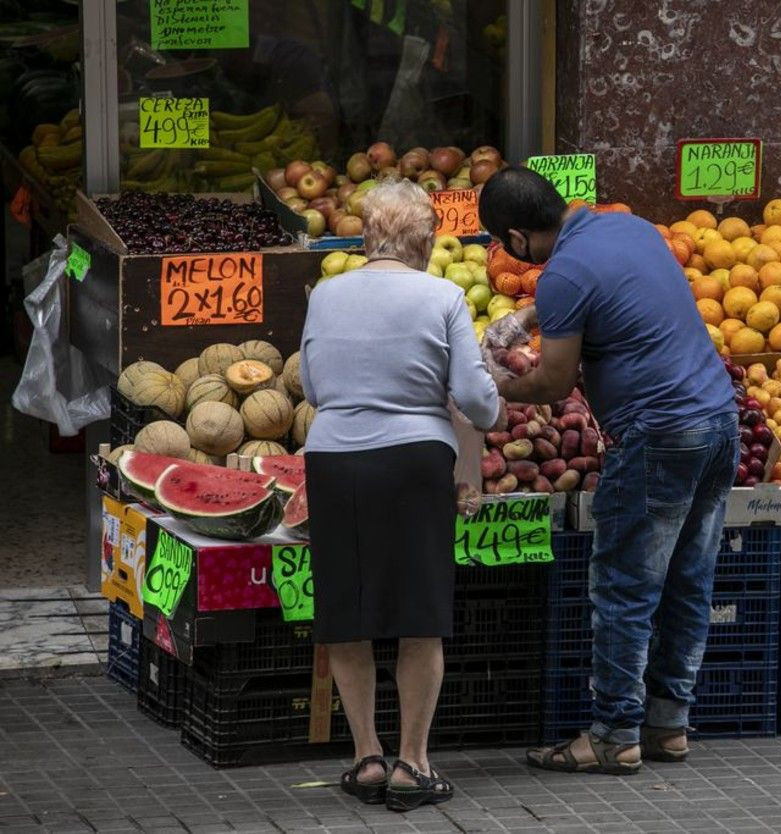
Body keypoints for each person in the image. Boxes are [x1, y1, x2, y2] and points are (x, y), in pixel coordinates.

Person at [479, 168, 738, 774]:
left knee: (625, 587)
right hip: (718, 423)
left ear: (517, 238)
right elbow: (603, 288)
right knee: (687, 581)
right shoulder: (630, 228)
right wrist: (530, 316)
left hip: (658, 437)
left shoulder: (563, 272)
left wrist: (492, 384)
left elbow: (554, 380)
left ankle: (614, 733)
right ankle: (668, 725)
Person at [300, 178, 503, 811]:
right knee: (418, 616)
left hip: (332, 459)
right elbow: (475, 400)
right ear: (426, 239)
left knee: (348, 611)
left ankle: (365, 758)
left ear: (365, 237)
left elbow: (310, 386)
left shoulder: (325, 294)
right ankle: (412, 765)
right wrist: (490, 410)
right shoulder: (442, 295)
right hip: (413, 460)